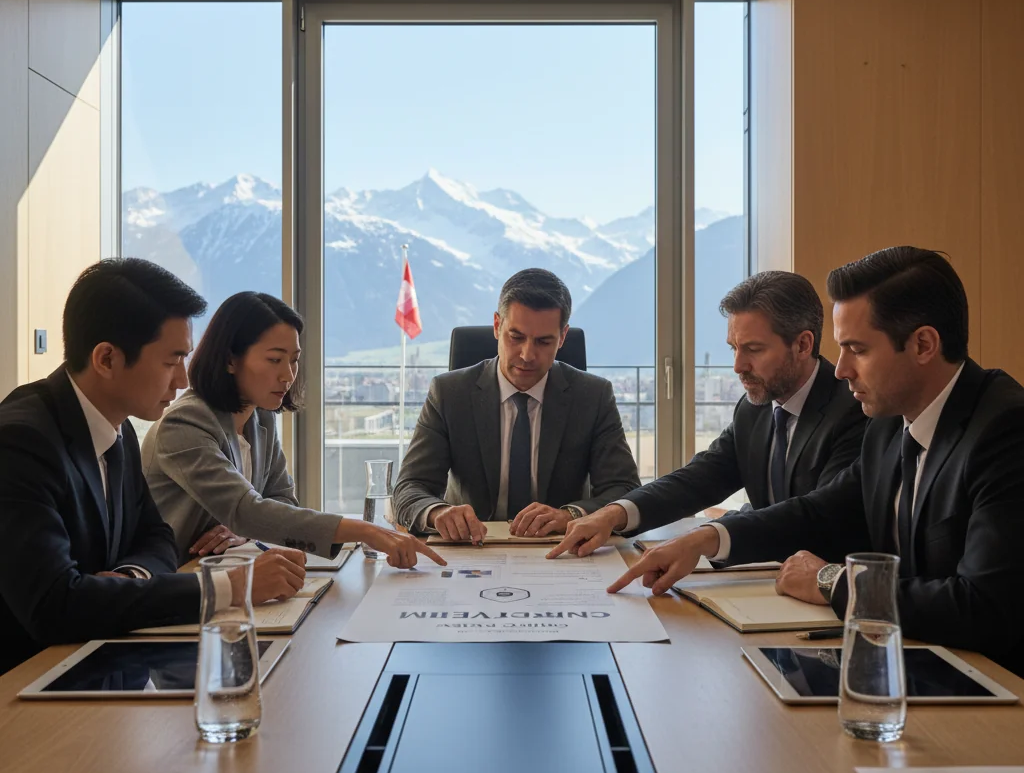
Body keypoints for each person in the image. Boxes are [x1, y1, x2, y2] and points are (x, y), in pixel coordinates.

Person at [600, 248, 1024, 677]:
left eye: (857, 349)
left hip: (994, 686)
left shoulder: (1006, 429)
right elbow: (820, 511)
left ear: (923, 344)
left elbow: (985, 606)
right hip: (913, 657)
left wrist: (833, 583)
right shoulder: (890, 423)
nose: (840, 370)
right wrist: (706, 539)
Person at [0, 259, 307, 676]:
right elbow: (55, 606)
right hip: (27, 680)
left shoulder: (117, 427)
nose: (182, 379)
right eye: (171, 361)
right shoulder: (21, 441)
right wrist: (232, 587)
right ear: (107, 359)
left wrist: (127, 577)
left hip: (99, 656)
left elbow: (156, 537)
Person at [550, 271, 866, 556]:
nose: (738, 366)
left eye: (753, 350)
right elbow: (700, 479)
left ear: (802, 344)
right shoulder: (753, 409)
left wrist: (711, 536)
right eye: (733, 348)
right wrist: (615, 513)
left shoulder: (853, 409)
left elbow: (817, 517)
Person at [143, 291, 445, 571]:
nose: (287, 376)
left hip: (226, 571)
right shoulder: (184, 423)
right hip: (178, 581)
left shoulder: (260, 418)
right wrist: (365, 530)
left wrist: (243, 532)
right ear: (230, 359)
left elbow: (281, 501)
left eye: (294, 360)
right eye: (275, 360)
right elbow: (247, 510)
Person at [392, 268, 641, 542]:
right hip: (472, 548)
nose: (527, 355)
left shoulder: (593, 396)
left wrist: (571, 515)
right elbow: (409, 488)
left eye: (544, 341)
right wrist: (437, 512)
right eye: (516, 337)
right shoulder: (449, 393)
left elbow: (625, 488)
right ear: (497, 326)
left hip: (561, 547)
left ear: (563, 337)